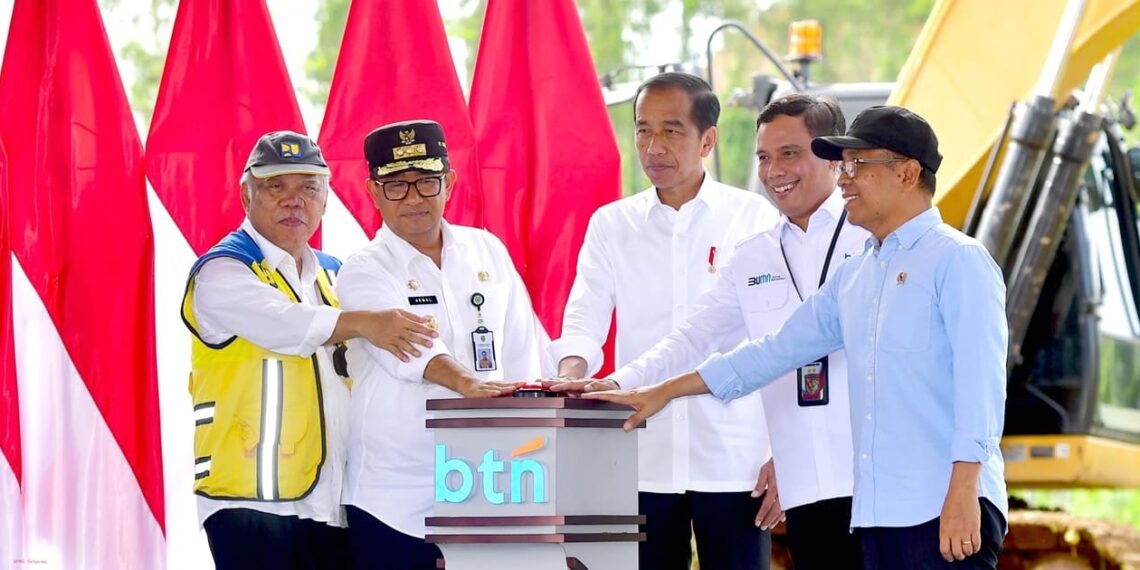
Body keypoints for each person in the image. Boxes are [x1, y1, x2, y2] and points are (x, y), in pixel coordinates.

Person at [586, 106, 1009, 570]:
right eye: (843, 166)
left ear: (907, 173)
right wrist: (659, 392)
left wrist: (966, 490)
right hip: (876, 516)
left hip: (942, 505)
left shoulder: (959, 261)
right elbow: (772, 353)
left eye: (858, 166)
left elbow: (981, 389)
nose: (845, 179)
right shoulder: (857, 275)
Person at [554, 93, 866, 569]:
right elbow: (696, 337)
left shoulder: (870, 237)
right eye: (763, 157)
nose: (774, 170)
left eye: (789, 153)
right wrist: (618, 385)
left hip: (834, 472)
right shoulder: (760, 250)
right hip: (659, 454)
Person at [547, 72, 780, 570]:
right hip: (639, 454)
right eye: (642, 129)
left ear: (708, 140)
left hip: (734, 457)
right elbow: (585, 315)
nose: (653, 146)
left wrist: (783, 450)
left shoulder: (754, 218)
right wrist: (570, 376)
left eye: (672, 130)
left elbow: (777, 341)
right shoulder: (612, 224)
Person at [181, 130, 438, 570]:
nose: (293, 200)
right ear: (247, 195)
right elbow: (286, 323)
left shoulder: (336, 275)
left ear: (325, 199)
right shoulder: (222, 271)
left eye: (308, 187)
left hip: (334, 502)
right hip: (252, 506)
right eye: (275, 186)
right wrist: (371, 322)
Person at [337, 120, 549, 570]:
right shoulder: (363, 270)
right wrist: (469, 383)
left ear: (449, 183)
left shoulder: (487, 250)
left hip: (487, 487)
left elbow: (522, 351)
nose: (413, 198)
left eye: (427, 182)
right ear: (373, 192)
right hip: (394, 500)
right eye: (396, 186)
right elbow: (405, 344)